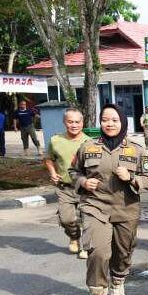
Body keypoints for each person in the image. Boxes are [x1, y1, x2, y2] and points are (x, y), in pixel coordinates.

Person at [70, 104, 148, 295]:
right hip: (94, 206)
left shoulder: (136, 150)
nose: (109, 124)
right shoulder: (87, 147)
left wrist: (132, 178)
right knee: (97, 251)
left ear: (123, 123)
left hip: (126, 208)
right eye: (105, 120)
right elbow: (74, 171)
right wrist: (82, 181)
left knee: (123, 251)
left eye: (114, 120)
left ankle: (117, 282)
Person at [45, 108, 91, 259]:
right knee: (66, 219)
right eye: (70, 122)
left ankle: (85, 246)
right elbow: (49, 158)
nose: (74, 125)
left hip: (84, 188)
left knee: (88, 219)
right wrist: (52, 172)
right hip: (65, 187)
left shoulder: (89, 142)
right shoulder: (55, 140)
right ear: (65, 122)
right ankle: (74, 235)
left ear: (82, 123)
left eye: (77, 122)